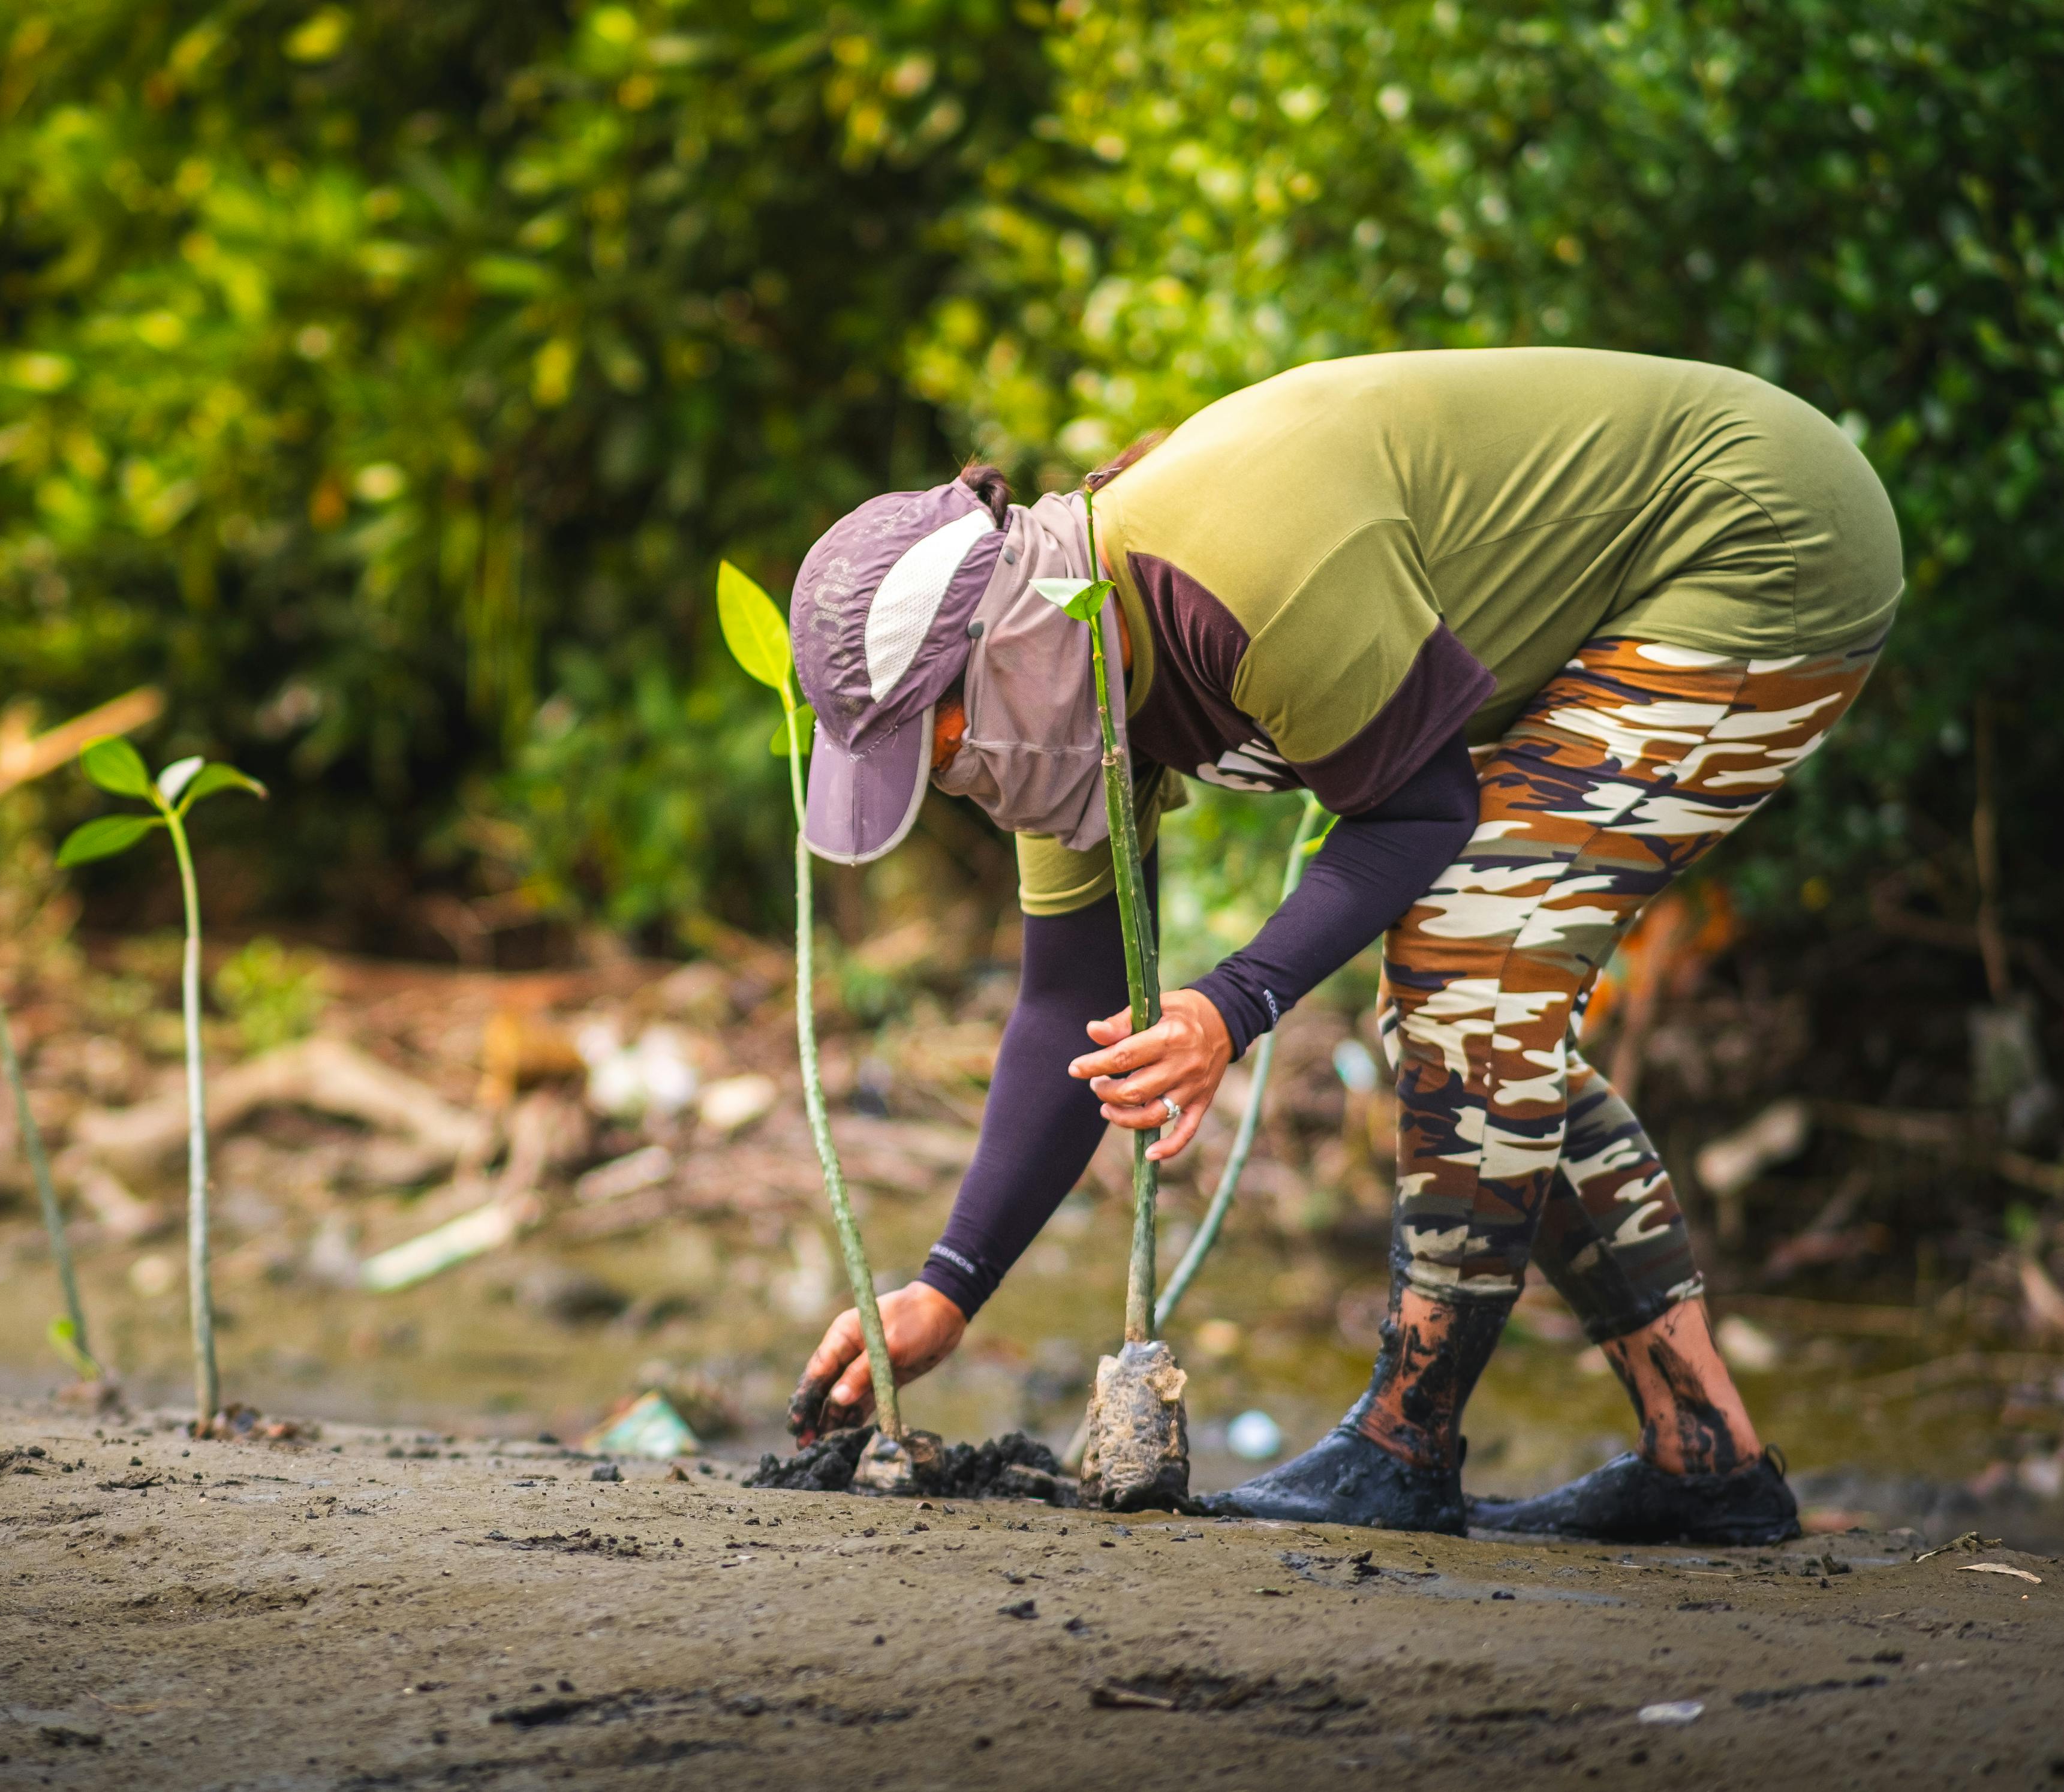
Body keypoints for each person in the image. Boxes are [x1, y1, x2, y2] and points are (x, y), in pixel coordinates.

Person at [780, 347, 1899, 1542]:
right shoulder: (1070, 705)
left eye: (934, 751)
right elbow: (1070, 1008)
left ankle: (1404, 1446)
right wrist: (950, 1289)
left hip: (1759, 533)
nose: (948, 783)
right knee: (1469, 994)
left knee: (1472, 965)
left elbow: (1423, 813)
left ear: (992, 655)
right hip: (1640, 588)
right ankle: (1705, 1463)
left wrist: (1232, 1006)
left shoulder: (1232, 570)